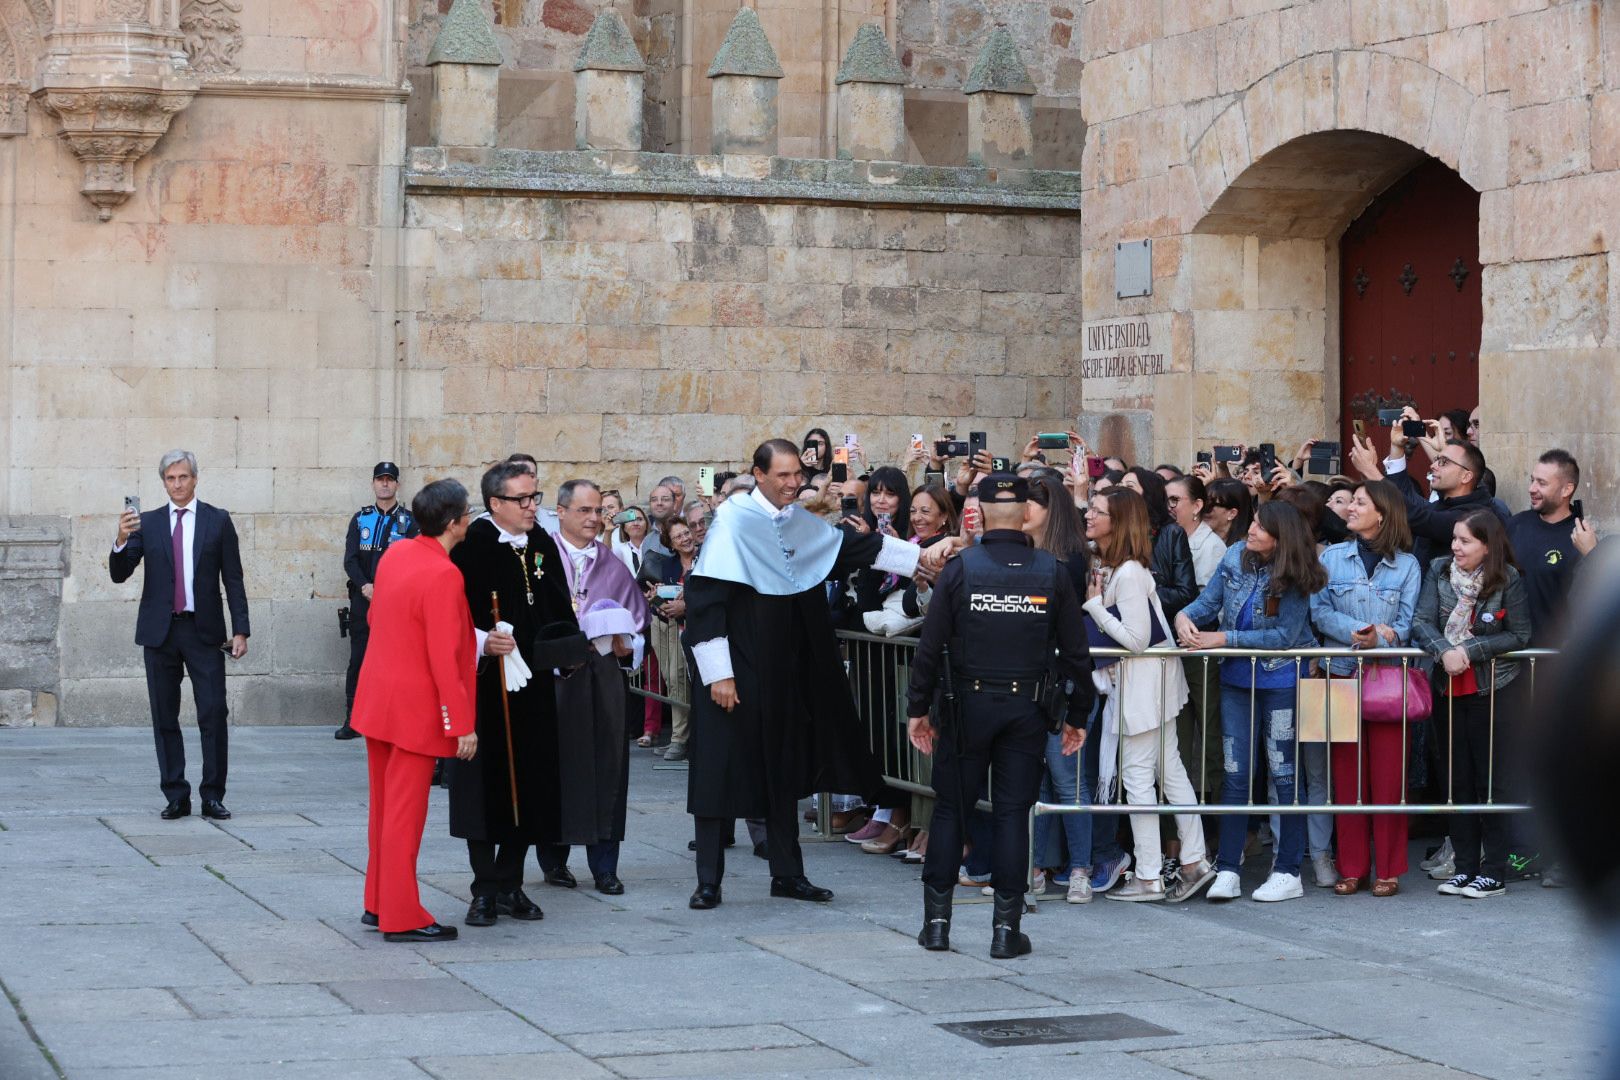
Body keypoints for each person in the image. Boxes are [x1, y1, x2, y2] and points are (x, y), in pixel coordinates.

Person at [682, 439, 946, 910]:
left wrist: (919, 559)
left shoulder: (798, 524)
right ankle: (708, 881)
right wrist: (718, 674)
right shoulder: (732, 524)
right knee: (719, 772)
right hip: (735, 671)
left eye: (795, 476)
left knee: (782, 773)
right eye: (782, 476)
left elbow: (851, 546)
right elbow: (705, 604)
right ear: (758, 475)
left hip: (784, 673)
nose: (793, 484)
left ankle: (787, 874)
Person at [906, 473, 1094, 956]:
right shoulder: (1049, 571)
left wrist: (917, 710)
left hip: (968, 708)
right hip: (1025, 709)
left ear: (983, 512)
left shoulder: (962, 569)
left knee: (952, 810)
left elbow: (930, 648)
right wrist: (1078, 715)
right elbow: (1077, 653)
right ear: (1024, 512)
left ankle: (938, 924)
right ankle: (1006, 932)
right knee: (1013, 814)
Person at [351, 479, 514, 943]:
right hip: (412, 708)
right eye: (466, 512)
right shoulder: (444, 574)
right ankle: (400, 915)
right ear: (453, 522)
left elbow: (376, 618)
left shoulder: (396, 554)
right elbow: (445, 655)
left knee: (384, 810)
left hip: (378, 699)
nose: (470, 518)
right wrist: (461, 724)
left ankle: (379, 900)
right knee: (404, 813)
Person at [1175, 501, 1327, 902]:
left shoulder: (1296, 573)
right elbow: (1208, 603)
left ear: (1282, 536)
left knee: (1283, 771)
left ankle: (1288, 869)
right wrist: (1184, 617)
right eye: (1254, 520)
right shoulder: (1233, 556)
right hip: (1236, 680)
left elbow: (1285, 637)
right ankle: (1228, 868)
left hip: (1281, 681)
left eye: (1261, 525)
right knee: (1235, 772)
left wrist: (1222, 639)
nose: (1252, 528)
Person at [448, 461, 575, 927]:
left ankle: (511, 882)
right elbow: (452, 618)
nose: (531, 507)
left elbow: (558, 606)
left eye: (534, 497)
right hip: (483, 686)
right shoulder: (471, 547)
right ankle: (484, 887)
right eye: (521, 499)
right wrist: (484, 640)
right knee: (485, 787)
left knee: (533, 784)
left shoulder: (542, 543)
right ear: (495, 503)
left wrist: (566, 647)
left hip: (534, 687)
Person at [1083, 488, 1210, 902]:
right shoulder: (1125, 570)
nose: (1089, 515)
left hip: (1143, 683)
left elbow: (1136, 640)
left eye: (1098, 511)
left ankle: (1150, 876)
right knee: (1169, 772)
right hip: (1149, 682)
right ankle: (1193, 861)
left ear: (1117, 523)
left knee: (1141, 776)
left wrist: (1095, 608)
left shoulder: (1130, 574)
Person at [110, 450, 250, 821]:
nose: (177, 484)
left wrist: (240, 629)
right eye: (171, 479)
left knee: (214, 712)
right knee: (164, 716)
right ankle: (176, 794)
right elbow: (120, 573)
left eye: (183, 477)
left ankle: (212, 795)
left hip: (203, 631)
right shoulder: (149, 522)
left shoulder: (217, 521)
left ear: (195, 478)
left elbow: (233, 579)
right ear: (164, 483)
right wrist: (121, 539)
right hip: (160, 632)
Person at [538, 479, 651, 894]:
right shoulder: (540, 558)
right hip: (553, 678)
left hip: (601, 678)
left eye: (597, 512)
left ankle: (605, 864)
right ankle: (553, 859)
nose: (592, 519)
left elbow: (640, 621)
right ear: (561, 512)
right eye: (583, 511)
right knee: (556, 764)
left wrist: (628, 644)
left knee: (607, 767)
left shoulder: (612, 564)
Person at [1310, 480, 1422, 897]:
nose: (1351, 508)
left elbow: (1409, 623)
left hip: (1388, 678)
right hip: (1341, 673)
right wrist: (1360, 633)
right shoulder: (1333, 558)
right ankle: (1352, 865)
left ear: (1383, 513)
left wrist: (1383, 640)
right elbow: (1319, 611)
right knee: (1347, 773)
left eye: (1359, 502)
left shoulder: (1408, 566)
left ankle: (1389, 867)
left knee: (1390, 775)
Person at [1412, 511, 1531, 899]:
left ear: (1487, 545)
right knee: (1456, 780)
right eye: (1454, 539)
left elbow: (1520, 633)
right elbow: (1421, 621)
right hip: (1448, 690)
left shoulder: (1508, 578)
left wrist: (1470, 648)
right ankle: (1464, 867)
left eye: (1464, 541)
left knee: (1489, 780)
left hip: (1492, 690)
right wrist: (1445, 650)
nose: (1455, 547)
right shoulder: (1439, 570)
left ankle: (1493, 869)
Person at [1024, 473, 1099, 903]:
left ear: (1047, 509)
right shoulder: (1027, 553)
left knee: (1068, 780)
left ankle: (1081, 869)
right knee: (1039, 782)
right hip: (1034, 682)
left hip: (1063, 684)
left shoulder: (1068, 560)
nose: (1021, 513)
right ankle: (1035, 866)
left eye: (1029, 505)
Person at [336, 462, 418, 741]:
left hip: (397, 605)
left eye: (390, 480)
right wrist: (365, 586)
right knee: (358, 660)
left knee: (397, 662)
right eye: (380, 479)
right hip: (365, 601)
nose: (385, 484)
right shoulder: (361, 519)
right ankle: (353, 719)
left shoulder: (409, 521)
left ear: (397, 484)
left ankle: (394, 719)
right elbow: (350, 559)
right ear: (373, 484)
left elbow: (414, 562)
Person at [1508, 449, 1599, 645]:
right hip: (1512, 657)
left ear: (1567, 490)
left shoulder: (1581, 538)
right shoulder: (1516, 525)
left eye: (1542, 483)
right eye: (1532, 480)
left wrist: (1592, 554)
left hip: (1556, 660)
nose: (1532, 488)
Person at [647, 516, 698, 759]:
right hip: (668, 627)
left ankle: (683, 739)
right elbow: (661, 601)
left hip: (696, 627)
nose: (685, 538)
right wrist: (656, 600)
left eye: (686, 533)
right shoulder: (668, 566)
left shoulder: (705, 558)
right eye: (678, 537)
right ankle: (680, 736)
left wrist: (686, 606)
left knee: (684, 680)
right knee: (672, 678)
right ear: (671, 544)